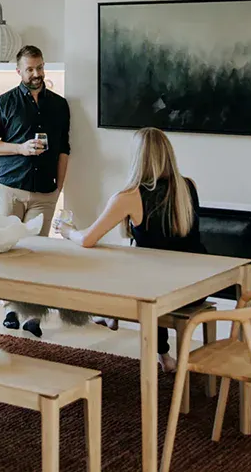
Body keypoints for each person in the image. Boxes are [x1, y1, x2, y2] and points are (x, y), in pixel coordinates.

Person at [52, 126, 206, 372]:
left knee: (116, 265)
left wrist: (68, 230)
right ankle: (163, 355)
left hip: (160, 292)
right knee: (148, 268)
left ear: (137, 157)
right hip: (196, 287)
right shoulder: (188, 187)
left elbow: (88, 239)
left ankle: (109, 311)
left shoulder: (130, 196)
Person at [0, 45, 88, 337]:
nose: (36, 74)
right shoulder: (3, 102)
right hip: (9, 188)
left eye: (40, 67)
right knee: (8, 250)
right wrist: (20, 148)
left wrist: (58, 189)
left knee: (37, 254)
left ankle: (33, 314)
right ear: (19, 71)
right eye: (30, 69)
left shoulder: (59, 104)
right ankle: (11, 308)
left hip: (45, 192)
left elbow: (64, 149)